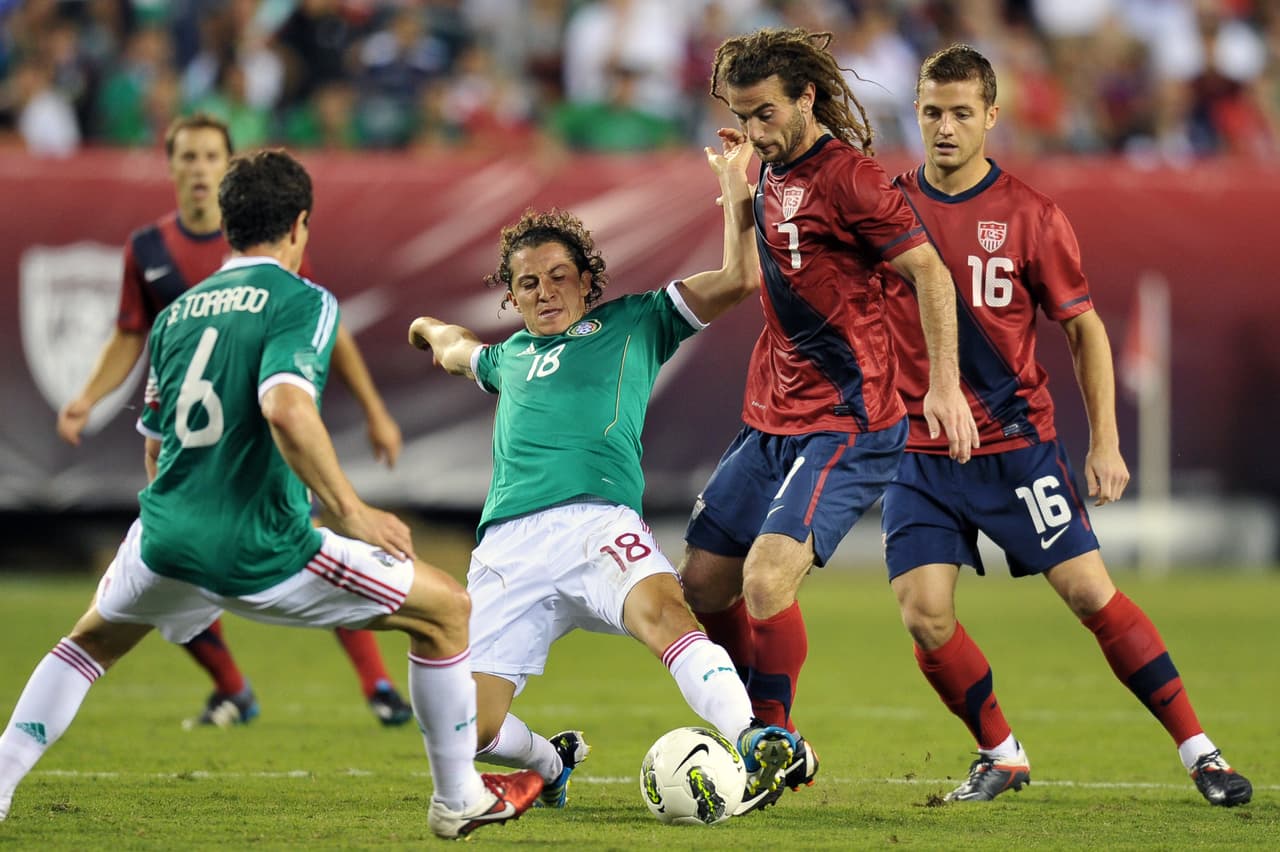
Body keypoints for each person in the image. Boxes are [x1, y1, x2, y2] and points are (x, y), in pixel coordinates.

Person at [0, 149, 542, 838]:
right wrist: (353, 511)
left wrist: (179, 526)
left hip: (164, 533)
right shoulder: (302, 299)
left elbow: (155, 445)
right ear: (299, 226)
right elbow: (285, 407)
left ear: (226, 225)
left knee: (85, 648)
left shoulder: (179, 314)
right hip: (261, 542)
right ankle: (460, 796)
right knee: (445, 610)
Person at [879, 43, 1252, 808]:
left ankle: (1201, 752)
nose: (944, 128)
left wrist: (1106, 441)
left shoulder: (1030, 215)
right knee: (923, 613)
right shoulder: (885, 209)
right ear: (915, 113)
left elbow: (1085, 331)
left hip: (1016, 449)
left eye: (959, 114)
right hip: (918, 451)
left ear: (991, 116)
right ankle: (1001, 753)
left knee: (1089, 594)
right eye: (930, 113)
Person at [406, 130, 798, 814]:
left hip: (596, 523)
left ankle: (753, 738)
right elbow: (454, 348)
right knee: (465, 729)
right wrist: (425, 329)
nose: (545, 291)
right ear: (513, 298)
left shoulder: (636, 321)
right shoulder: (508, 358)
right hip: (506, 551)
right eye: (528, 283)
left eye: (559, 276)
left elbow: (739, 280)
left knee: (664, 613)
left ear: (588, 281)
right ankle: (547, 761)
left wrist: (737, 194)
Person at [678, 27, 979, 811]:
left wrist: (941, 387)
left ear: (806, 98)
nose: (753, 131)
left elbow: (931, 275)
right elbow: (744, 276)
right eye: (741, 116)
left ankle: (769, 745)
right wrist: (734, 187)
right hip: (771, 414)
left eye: (766, 114)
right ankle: (750, 723)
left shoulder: (852, 181)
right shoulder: (768, 167)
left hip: (848, 418)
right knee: (702, 584)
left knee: (767, 579)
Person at [54, 113, 412, 729]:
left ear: (227, 168)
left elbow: (323, 334)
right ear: (169, 167)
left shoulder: (270, 245)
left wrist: (376, 411)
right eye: (186, 157)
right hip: (191, 432)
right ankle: (233, 687)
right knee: (188, 561)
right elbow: (128, 334)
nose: (197, 168)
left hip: (264, 437)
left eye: (209, 156)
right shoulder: (149, 250)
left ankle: (376, 683)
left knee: (285, 534)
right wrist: (88, 395)